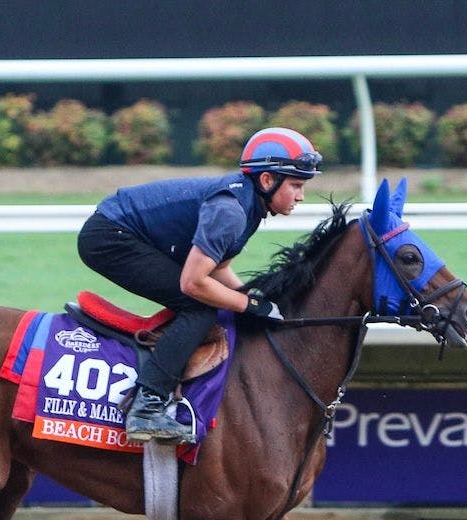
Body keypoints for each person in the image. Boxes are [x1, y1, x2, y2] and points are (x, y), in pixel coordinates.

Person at [78, 127, 322, 443]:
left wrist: (249, 296)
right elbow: (194, 283)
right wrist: (248, 305)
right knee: (199, 307)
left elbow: (217, 267)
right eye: (297, 185)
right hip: (110, 238)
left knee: (217, 300)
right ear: (267, 180)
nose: (301, 196)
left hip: (126, 232)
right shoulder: (231, 211)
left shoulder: (248, 205)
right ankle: (146, 407)